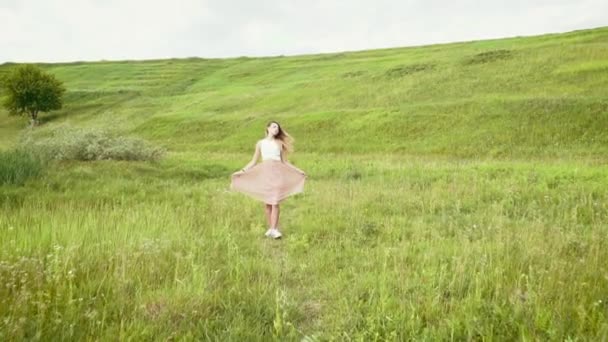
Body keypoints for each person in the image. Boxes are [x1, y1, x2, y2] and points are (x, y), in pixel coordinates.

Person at [230, 121, 307, 239]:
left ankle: (274, 229)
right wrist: (242, 171)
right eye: (274, 126)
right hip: (265, 175)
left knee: (275, 202)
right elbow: (253, 161)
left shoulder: (279, 143)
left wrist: (298, 171)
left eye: (278, 127)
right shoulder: (260, 143)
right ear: (268, 128)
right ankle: (270, 228)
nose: (276, 129)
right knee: (267, 203)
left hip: (277, 175)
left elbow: (284, 162)